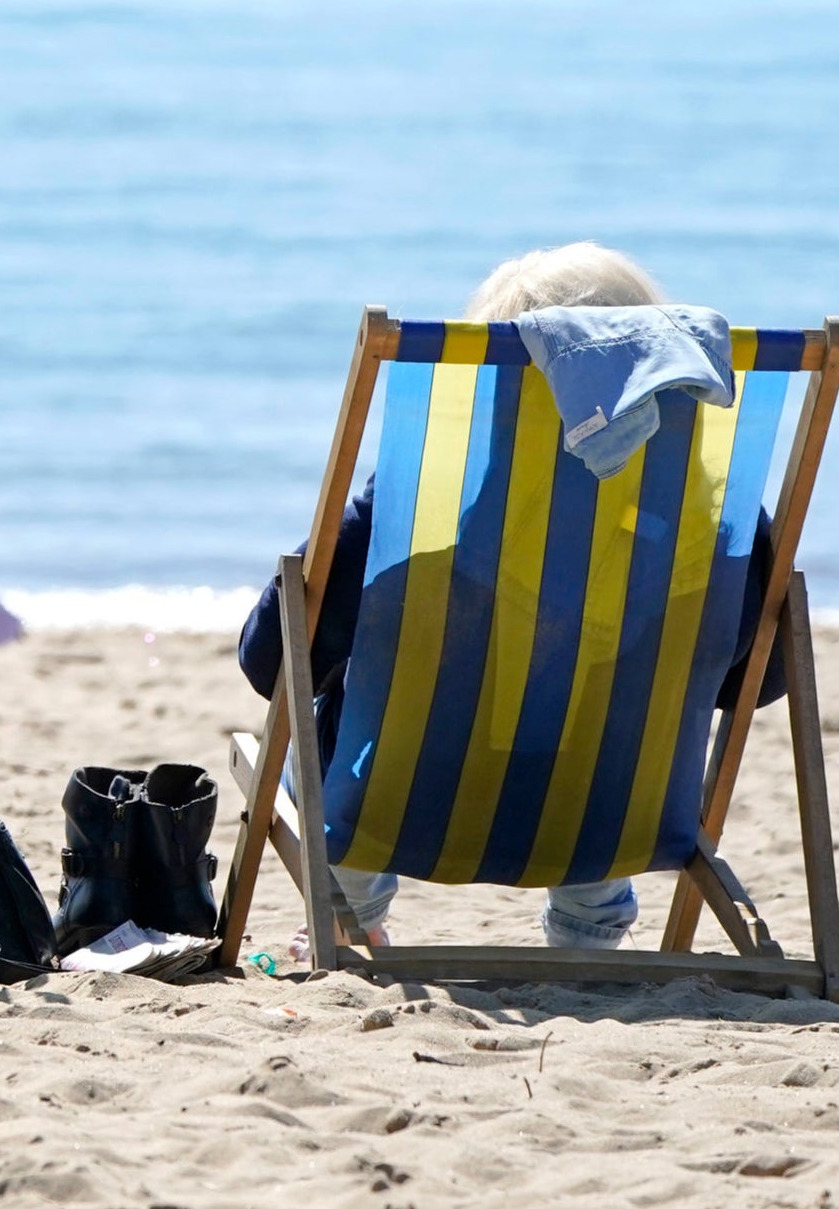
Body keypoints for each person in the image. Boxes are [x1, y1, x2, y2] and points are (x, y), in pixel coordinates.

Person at [238, 241, 781, 954]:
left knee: (345, 701)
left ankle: (349, 912)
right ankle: (587, 934)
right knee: (613, 717)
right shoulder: (708, 537)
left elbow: (273, 660)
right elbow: (754, 685)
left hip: (410, 806)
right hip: (609, 816)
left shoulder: (403, 521)